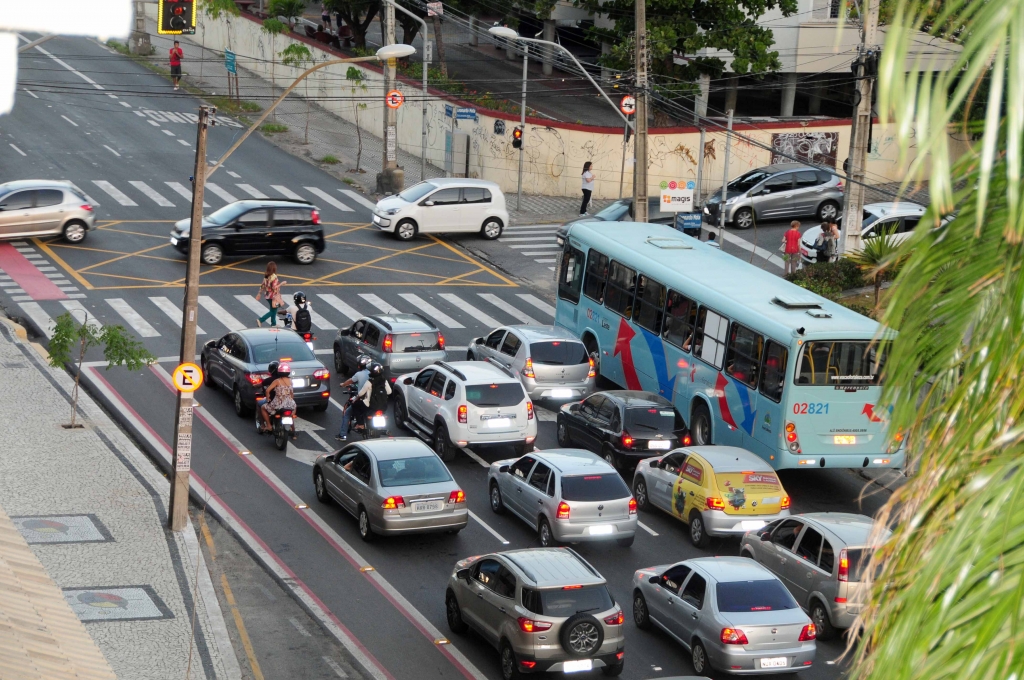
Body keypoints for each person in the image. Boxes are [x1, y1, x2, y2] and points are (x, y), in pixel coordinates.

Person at [337, 355, 372, 441]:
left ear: (359, 365)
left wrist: (342, 384)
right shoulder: (373, 374)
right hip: (374, 401)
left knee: (347, 413)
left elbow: (350, 381)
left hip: (362, 400)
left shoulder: (359, 374)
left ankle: (342, 435)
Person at [260, 363, 297, 435]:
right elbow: (292, 393)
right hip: (289, 403)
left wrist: (268, 399)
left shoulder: (277, 381)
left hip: (278, 403)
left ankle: (269, 426)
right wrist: (291, 400)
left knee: (263, 408)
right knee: (293, 409)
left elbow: (268, 390)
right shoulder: (291, 381)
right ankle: (292, 429)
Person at [356, 363, 391, 429]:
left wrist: (356, 397)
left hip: (371, 405)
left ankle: (360, 424)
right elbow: (389, 392)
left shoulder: (370, 381)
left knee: (355, 406)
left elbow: (360, 394)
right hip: (383, 406)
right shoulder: (384, 381)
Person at [256, 262, 283, 327]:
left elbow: (262, 285)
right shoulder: (274, 277)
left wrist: (259, 293)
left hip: (267, 296)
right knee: (273, 311)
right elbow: (274, 287)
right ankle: (261, 320)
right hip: (273, 296)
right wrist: (282, 283)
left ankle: (273, 324)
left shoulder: (266, 276)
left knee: (273, 309)